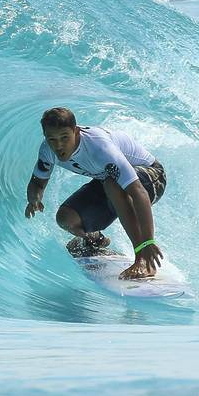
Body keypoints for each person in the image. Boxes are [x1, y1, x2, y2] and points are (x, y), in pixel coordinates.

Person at [24, 107, 166, 280]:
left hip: (152, 177)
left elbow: (138, 192)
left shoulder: (99, 147)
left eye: (64, 137)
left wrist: (148, 241)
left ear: (76, 132)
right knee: (66, 219)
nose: (58, 145)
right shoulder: (47, 150)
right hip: (109, 180)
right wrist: (34, 198)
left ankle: (142, 259)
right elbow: (38, 182)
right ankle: (95, 241)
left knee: (112, 184)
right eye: (52, 139)